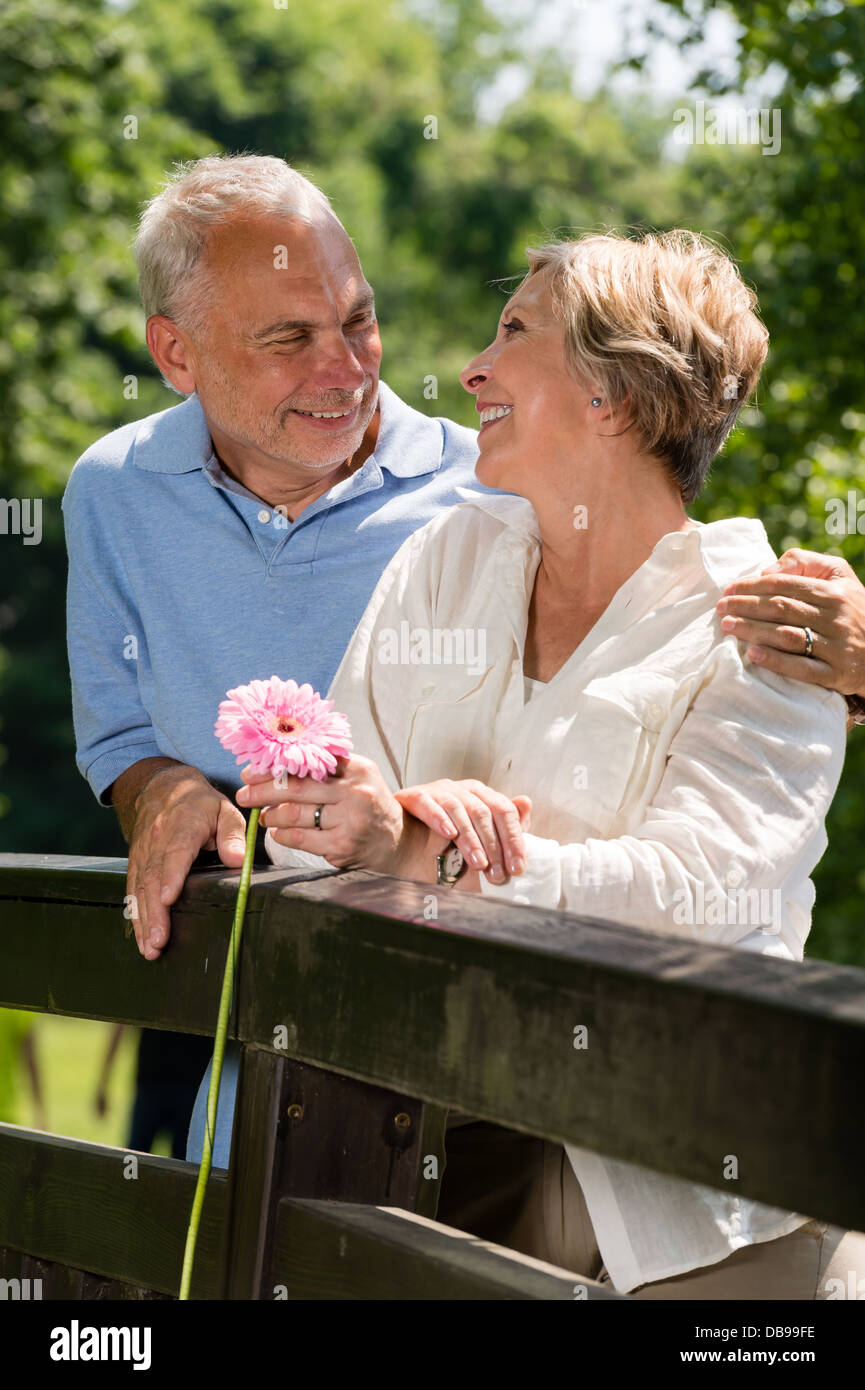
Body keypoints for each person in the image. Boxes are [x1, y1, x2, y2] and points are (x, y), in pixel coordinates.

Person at [252, 228, 865, 1298]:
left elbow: (689, 901)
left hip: (688, 1218)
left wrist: (423, 849)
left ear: (614, 397)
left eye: (515, 332)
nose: (474, 368)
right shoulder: (442, 563)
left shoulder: (774, 625)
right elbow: (324, 840)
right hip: (423, 1159)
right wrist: (346, 822)